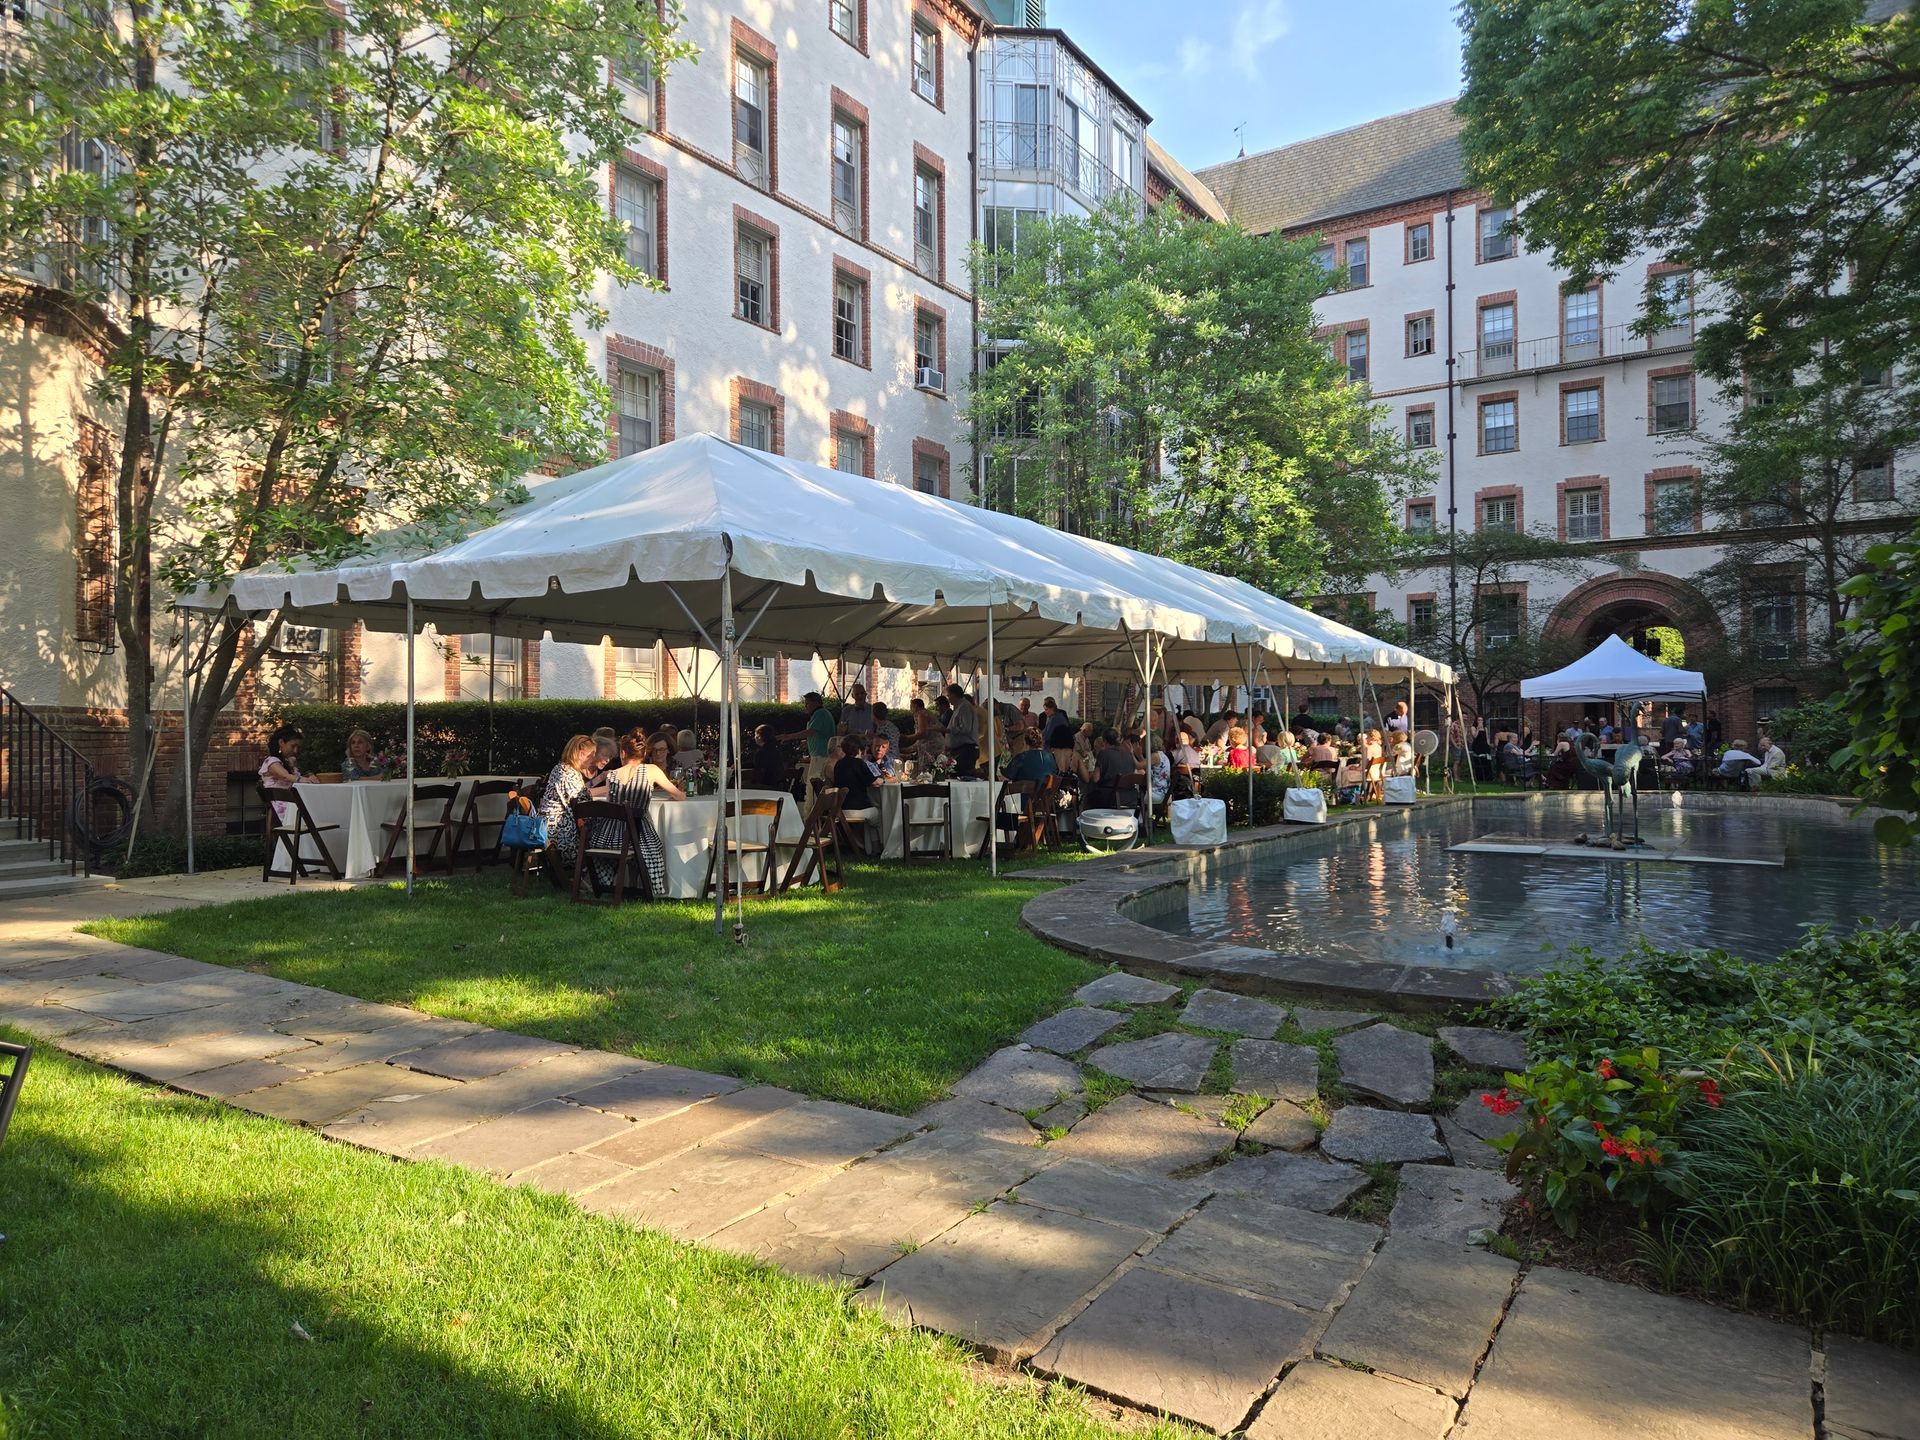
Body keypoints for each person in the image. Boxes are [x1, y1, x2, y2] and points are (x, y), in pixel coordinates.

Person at [587, 728, 681, 894]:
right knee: (656, 846)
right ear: (644, 752)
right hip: (638, 837)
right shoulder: (651, 770)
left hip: (608, 838)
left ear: (623, 753)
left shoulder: (612, 775)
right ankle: (648, 888)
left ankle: (609, 886)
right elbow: (679, 796)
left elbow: (609, 797)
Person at [537, 734, 599, 881]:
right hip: (560, 835)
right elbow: (581, 809)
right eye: (592, 755)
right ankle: (594, 880)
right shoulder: (570, 775)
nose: (594, 759)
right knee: (605, 836)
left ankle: (588, 878)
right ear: (581, 754)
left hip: (547, 829)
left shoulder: (560, 768)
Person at [780, 692, 838, 794]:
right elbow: (819, 733)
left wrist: (788, 737)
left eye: (807, 703)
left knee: (813, 787)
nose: (805, 706)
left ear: (816, 703)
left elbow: (811, 731)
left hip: (821, 756)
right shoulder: (821, 714)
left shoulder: (820, 713)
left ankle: (815, 808)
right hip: (820, 755)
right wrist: (808, 742)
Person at [259, 724, 306, 823]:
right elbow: (285, 777)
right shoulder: (271, 761)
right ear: (281, 742)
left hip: (293, 805)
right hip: (282, 809)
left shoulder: (287, 761)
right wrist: (303, 780)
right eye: (293, 746)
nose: (295, 750)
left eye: (298, 746)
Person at [945, 682, 981, 777]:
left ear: (953, 695)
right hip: (961, 749)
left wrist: (948, 730)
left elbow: (965, 728)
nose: (948, 699)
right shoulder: (960, 707)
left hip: (966, 749)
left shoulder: (965, 707)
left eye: (948, 696)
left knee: (961, 776)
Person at [745, 723, 788, 791]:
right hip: (779, 784)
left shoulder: (761, 752)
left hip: (767, 786)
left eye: (755, 734)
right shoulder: (776, 750)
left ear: (759, 736)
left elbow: (757, 770)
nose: (754, 737)